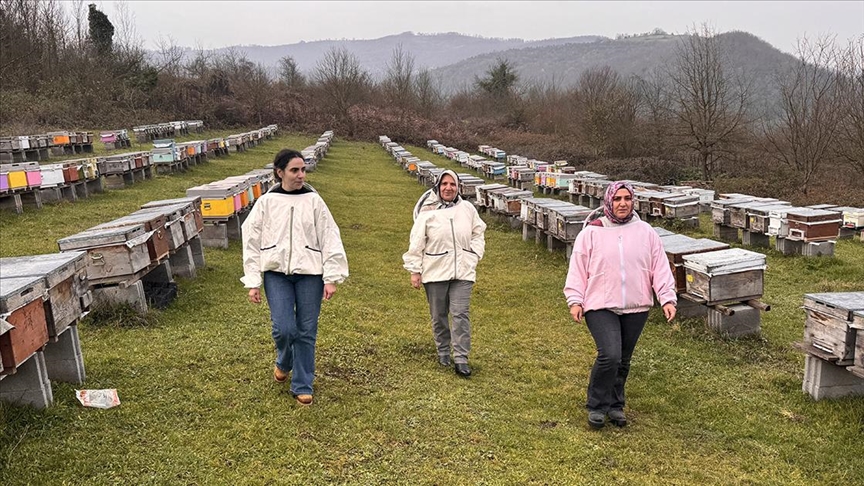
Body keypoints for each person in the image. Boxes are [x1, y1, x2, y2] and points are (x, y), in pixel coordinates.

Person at [563, 181, 677, 429]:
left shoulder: (646, 231)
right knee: (610, 355)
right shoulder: (591, 232)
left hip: (636, 305)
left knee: (623, 359)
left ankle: (615, 405)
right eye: (617, 199)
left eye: (627, 198)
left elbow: (659, 267)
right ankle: (596, 405)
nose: (623, 203)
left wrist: (667, 297)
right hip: (600, 304)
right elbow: (578, 268)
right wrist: (575, 300)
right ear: (609, 201)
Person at [241, 148, 348, 405]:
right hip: (276, 275)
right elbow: (251, 241)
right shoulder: (266, 203)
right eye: (295, 170)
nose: (301, 175)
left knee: (306, 331)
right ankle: (284, 360)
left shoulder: (314, 201)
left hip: (310, 274)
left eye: (303, 170)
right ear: (280, 173)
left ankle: (302, 383)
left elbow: (330, 237)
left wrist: (331, 276)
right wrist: (253, 281)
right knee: (284, 328)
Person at [403, 169, 486, 377]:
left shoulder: (467, 208)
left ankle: (461, 357)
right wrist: (415, 270)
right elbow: (416, 242)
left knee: (460, 314)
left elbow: (479, 231)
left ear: (458, 187)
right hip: (435, 271)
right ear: (438, 186)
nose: (448, 188)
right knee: (439, 314)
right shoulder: (427, 212)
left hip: (463, 271)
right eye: (444, 184)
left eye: (452, 184)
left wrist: (474, 253)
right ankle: (443, 351)